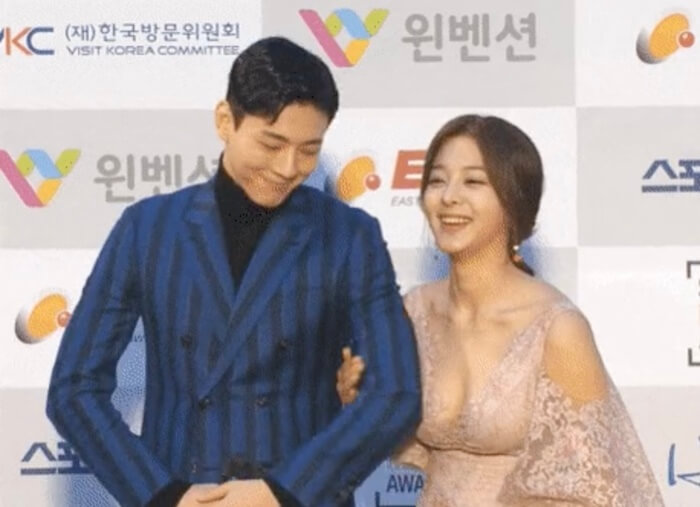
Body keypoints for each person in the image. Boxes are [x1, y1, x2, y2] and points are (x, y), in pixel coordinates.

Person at [46, 36, 421, 507]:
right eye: (272, 143)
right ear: (225, 121)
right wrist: (163, 494)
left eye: (309, 150)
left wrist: (285, 490)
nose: (288, 167)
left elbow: (395, 391)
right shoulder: (148, 228)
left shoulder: (349, 235)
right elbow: (74, 389)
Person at [337, 115, 664, 506]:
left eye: (473, 182)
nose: (449, 196)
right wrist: (360, 403)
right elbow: (404, 441)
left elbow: (594, 490)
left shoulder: (557, 329)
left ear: (513, 200)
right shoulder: (414, 312)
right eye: (437, 180)